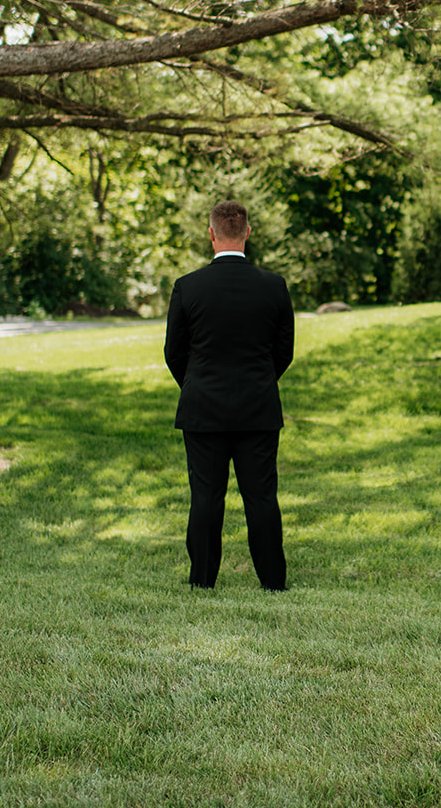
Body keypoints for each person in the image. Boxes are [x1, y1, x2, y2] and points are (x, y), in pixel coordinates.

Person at [164, 200, 295, 591]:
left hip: (203, 408)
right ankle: (273, 581)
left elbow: (174, 352)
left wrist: (197, 384)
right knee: (261, 497)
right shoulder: (273, 286)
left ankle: (202, 581)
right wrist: (259, 381)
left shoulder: (188, 287)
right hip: (258, 408)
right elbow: (283, 351)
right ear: (248, 234)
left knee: (205, 496)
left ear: (211, 234)